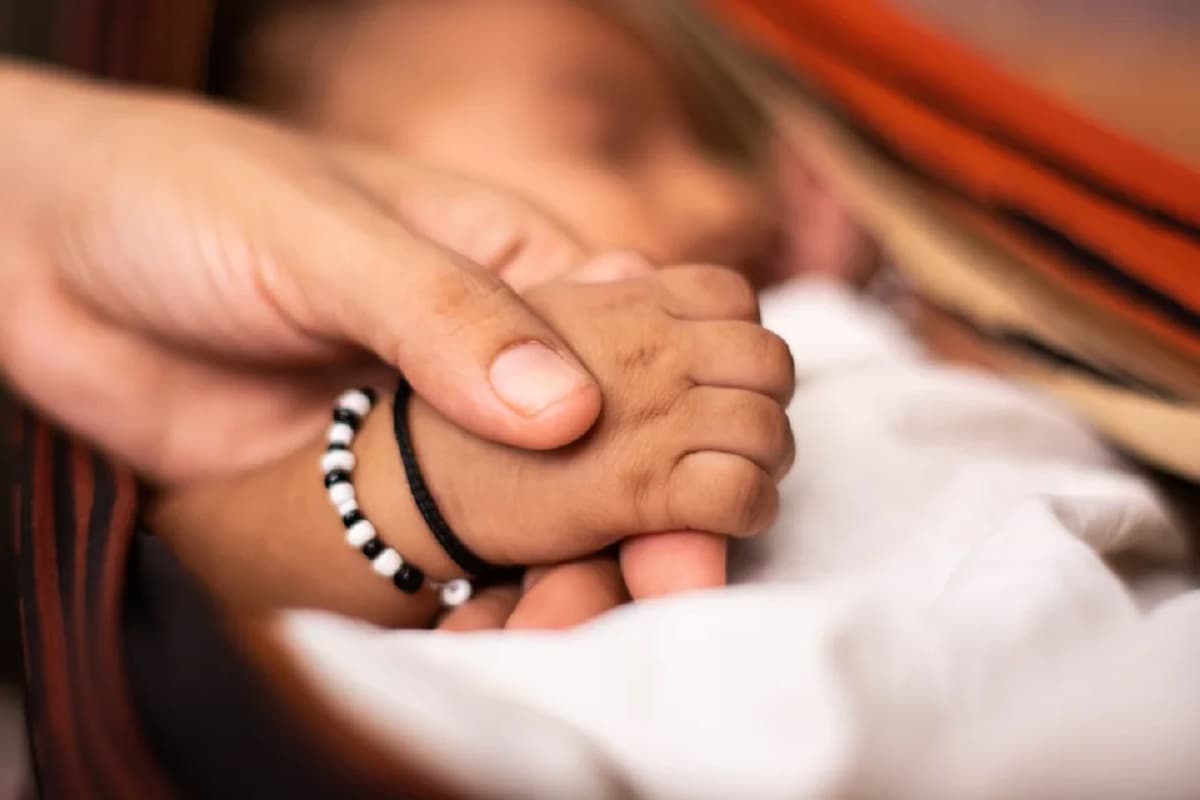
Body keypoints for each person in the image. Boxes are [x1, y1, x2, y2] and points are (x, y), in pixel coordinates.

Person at [144, 0, 805, 629]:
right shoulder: (243, 443)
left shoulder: (799, 311)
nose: (732, 199)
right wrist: (440, 481)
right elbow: (173, 565)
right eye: (608, 143)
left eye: (705, 144)